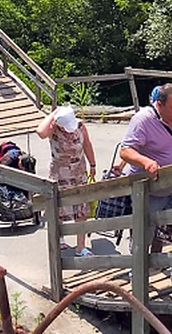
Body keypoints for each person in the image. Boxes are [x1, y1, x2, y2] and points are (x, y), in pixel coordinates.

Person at [119, 83, 172, 289]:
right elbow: (125, 151)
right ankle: (136, 273)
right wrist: (146, 162)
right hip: (148, 189)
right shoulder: (144, 119)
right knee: (144, 232)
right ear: (159, 105)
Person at [36, 106, 98, 257]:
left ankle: (81, 246)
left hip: (79, 171)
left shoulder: (80, 126)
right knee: (58, 208)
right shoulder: (53, 129)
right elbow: (40, 132)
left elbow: (87, 144)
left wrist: (93, 164)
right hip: (60, 173)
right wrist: (54, 113)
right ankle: (60, 237)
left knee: (81, 208)